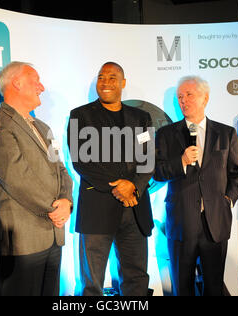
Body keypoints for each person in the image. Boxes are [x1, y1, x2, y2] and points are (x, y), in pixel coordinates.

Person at [67, 62, 154, 296]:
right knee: (91, 282)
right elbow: (81, 161)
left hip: (135, 208)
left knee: (136, 276)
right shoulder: (80, 116)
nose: (106, 82)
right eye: (101, 77)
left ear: (123, 83)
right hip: (97, 208)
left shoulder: (141, 117)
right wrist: (118, 187)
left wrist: (133, 186)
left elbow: (149, 159)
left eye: (112, 77)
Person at [154, 76, 238, 296]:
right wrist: (181, 162)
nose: (183, 100)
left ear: (205, 97)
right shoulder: (167, 134)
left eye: (189, 95)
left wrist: (228, 200)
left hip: (215, 223)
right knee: (182, 287)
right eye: (180, 97)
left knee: (214, 286)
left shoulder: (226, 133)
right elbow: (157, 172)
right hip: (181, 222)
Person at [0, 62, 73, 296]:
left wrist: (66, 202)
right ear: (16, 82)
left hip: (53, 236)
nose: (42, 87)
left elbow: (62, 171)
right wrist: (53, 208)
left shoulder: (44, 127)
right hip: (21, 241)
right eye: (35, 80)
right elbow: (15, 177)